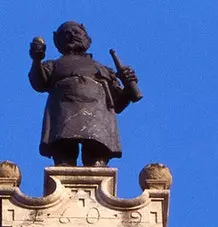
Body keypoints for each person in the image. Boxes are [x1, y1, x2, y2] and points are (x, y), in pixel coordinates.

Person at [28, 22, 141, 166]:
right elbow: (39, 83)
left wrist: (128, 87)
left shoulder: (103, 69)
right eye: (66, 34)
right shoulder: (53, 65)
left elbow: (117, 104)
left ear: (87, 38)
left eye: (76, 32)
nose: (72, 35)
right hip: (63, 110)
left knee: (96, 159)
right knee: (64, 157)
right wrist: (37, 60)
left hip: (97, 115)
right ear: (58, 41)